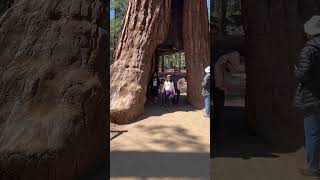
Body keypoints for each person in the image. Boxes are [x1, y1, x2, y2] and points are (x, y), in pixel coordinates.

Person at [294, 15, 320, 177]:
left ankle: (313, 167)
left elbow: (302, 73)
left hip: (312, 96)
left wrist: (295, 71)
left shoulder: (309, 49)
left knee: (313, 133)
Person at [213, 51, 240, 142]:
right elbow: (219, 80)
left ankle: (217, 124)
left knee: (219, 107)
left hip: (220, 88)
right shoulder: (219, 65)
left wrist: (225, 86)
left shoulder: (227, 66)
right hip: (218, 87)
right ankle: (217, 124)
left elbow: (227, 78)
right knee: (218, 106)